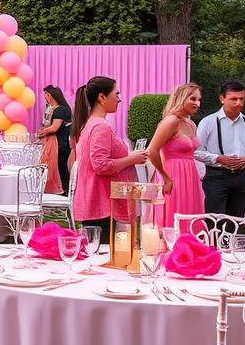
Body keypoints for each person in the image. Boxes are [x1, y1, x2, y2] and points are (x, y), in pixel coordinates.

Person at [72, 76, 148, 242]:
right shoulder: (101, 126)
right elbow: (101, 165)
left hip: (97, 200)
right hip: (103, 201)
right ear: (102, 97)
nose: (119, 99)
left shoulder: (91, 124)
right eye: (116, 94)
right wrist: (132, 159)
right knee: (104, 253)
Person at [194, 80, 245, 218]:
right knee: (215, 221)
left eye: (241, 99)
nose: (238, 103)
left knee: (237, 220)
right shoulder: (208, 122)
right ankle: (214, 241)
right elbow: (196, 152)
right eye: (234, 99)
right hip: (216, 176)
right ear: (222, 99)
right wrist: (218, 158)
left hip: (241, 177)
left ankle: (234, 240)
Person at [148, 83, 205, 228]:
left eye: (199, 100)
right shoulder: (170, 121)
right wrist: (165, 177)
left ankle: (189, 246)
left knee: (189, 213)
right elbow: (152, 150)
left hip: (190, 176)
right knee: (173, 215)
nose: (197, 103)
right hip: (172, 175)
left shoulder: (191, 124)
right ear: (181, 98)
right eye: (193, 99)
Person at [36, 85, 72, 194]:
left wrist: (42, 132)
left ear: (50, 95)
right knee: (60, 168)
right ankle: (63, 191)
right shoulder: (54, 109)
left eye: (45, 95)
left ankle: (64, 191)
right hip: (59, 143)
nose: (45, 98)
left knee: (60, 168)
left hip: (60, 144)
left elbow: (54, 127)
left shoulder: (60, 110)